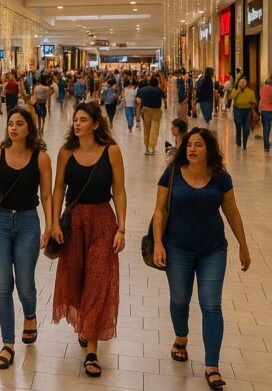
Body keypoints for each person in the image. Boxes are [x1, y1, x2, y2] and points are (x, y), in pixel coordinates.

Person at [151, 128, 250, 390]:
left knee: (211, 305)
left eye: (199, 145)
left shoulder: (220, 178)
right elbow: (160, 210)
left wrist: (243, 244)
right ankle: (181, 337)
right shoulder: (171, 173)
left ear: (209, 149)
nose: (192, 149)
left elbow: (233, 212)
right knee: (180, 300)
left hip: (213, 250)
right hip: (178, 248)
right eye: (189, 145)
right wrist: (158, 243)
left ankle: (212, 366)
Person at [50, 102, 127, 378]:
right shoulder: (66, 152)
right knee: (75, 277)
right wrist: (53, 222)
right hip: (74, 222)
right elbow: (58, 187)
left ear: (96, 124)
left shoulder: (112, 152)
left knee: (98, 280)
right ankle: (85, 322)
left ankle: (91, 349)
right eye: (75, 119)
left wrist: (122, 227)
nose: (77, 124)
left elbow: (119, 190)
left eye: (83, 119)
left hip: (103, 222)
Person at [0, 107, 53, 371]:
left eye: (19, 124)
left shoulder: (41, 158)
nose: (13, 128)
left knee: (25, 283)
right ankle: (7, 344)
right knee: (2, 285)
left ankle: (30, 315)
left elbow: (46, 196)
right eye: (10, 123)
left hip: (28, 222)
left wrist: (50, 226)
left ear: (29, 128)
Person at [228, 77, 258, 149]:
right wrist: (238, 91)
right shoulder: (235, 90)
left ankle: (244, 142)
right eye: (241, 82)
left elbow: (254, 102)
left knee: (246, 129)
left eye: (244, 82)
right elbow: (231, 97)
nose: (242, 84)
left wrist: (251, 103)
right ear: (238, 83)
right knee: (238, 126)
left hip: (247, 111)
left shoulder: (250, 92)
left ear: (246, 84)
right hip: (237, 110)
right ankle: (238, 143)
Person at [138, 75, 164, 155]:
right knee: (154, 129)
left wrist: (138, 112)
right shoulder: (159, 90)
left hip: (146, 110)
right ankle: (152, 148)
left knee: (146, 129)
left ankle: (146, 148)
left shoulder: (142, 90)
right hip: (156, 111)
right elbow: (165, 98)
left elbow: (138, 101)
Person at [260, 77, 272, 154]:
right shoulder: (271, 89)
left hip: (264, 111)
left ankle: (266, 147)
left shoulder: (262, 89)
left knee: (266, 129)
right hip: (270, 110)